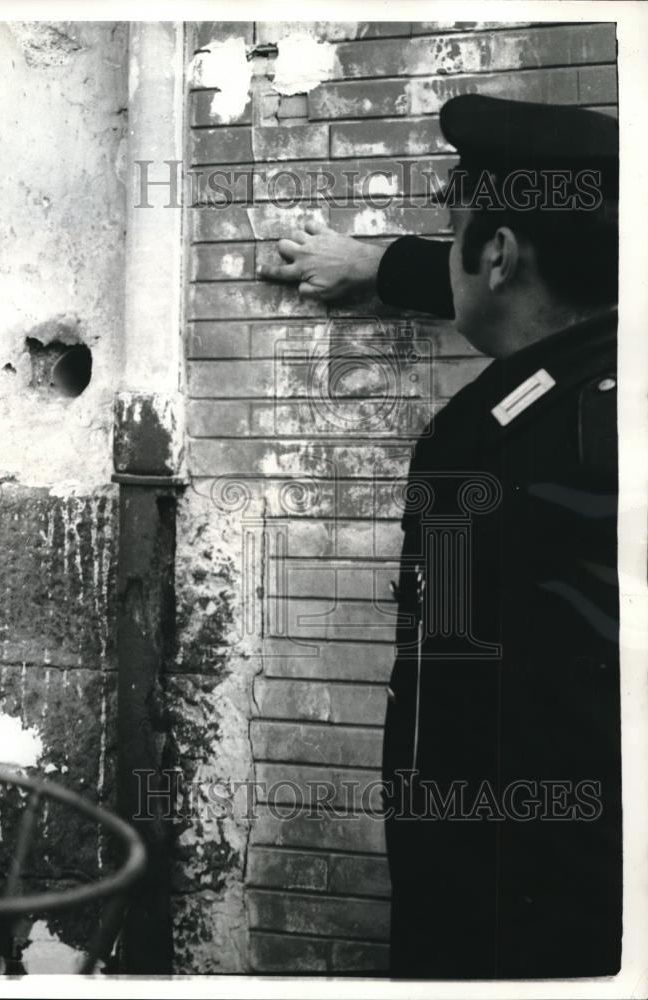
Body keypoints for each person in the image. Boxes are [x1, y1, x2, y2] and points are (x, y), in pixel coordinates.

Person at [259, 94, 620, 979]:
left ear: (496, 252)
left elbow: (467, 698)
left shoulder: (492, 444)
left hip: (515, 910)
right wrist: (382, 266)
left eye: (460, 227)